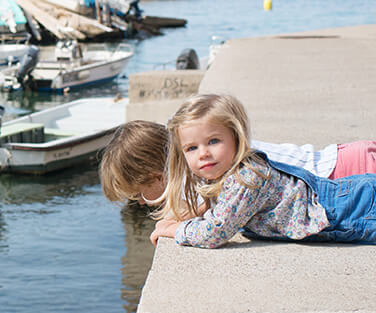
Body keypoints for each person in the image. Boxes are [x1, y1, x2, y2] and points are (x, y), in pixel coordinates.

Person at [148, 93, 376, 248]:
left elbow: (214, 233)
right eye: (191, 148)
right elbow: (221, 203)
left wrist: (176, 229)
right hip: (348, 204)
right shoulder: (226, 174)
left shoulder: (246, 177)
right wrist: (195, 211)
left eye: (214, 141)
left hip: (355, 209)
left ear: (237, 138)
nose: (203, 153)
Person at [100, 119, 376, 211]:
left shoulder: (201, 175)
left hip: (342, 173)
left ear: (157, 176)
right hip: (343, 159)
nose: (141, 202)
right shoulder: (207, 154)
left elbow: (199, 217)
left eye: (138, 194)